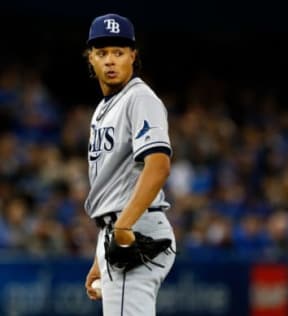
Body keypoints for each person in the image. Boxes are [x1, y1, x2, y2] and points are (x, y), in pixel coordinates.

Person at [82, 13, 176, 316]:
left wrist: (124, 224)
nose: (110, 60)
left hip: (137, 230)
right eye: (102, 53)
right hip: (115, 231)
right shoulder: (103, 108)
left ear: (133, 57)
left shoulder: (140, 98)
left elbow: (159, 165)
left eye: (119, 52)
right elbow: (113, 188)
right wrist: (100, 257)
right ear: (91, 59)